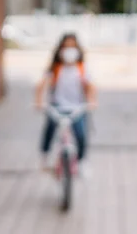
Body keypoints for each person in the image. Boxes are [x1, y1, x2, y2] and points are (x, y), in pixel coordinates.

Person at [34, 33, 97, 174]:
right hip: (57, 107)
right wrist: (39, 101)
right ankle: (45, 156)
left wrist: (92, 101)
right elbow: (41, 86)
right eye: (66, 47)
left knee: (81, 135)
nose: (69, 50)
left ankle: (81, 161)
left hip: (77, 108)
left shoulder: (82, 68)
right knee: (49, 130)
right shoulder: (55, 68)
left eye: (72, 47)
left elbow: (91, 86)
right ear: (60, 50)